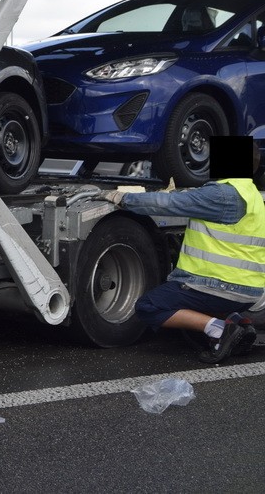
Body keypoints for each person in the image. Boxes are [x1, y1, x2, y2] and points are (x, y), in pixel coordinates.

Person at [100, 137, 265, 363]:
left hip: (221, 287)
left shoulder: (222, 195)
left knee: (149, 306)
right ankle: (239, 323)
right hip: (250, 291)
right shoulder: (252, 194)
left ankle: (219, 329)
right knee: (196, 299)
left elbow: (168, 203)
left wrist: (124, 198)